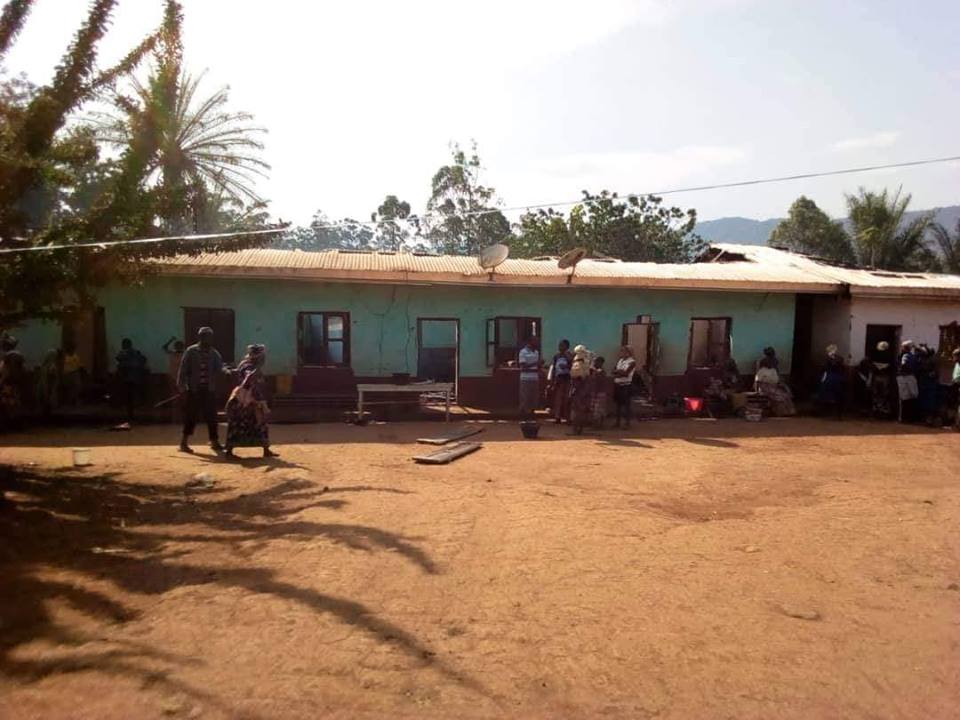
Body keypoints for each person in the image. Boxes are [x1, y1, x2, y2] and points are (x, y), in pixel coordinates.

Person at [177, 327, 227, 453]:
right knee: (191, 416)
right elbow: (183, 370)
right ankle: (183, 443)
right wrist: (182, 387)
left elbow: (220, 367)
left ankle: (214, 441)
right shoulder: (191, 351)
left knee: (212, 417)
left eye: (210, 337)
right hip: (194, 390)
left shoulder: (214, 353)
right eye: (205, 336)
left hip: (209, 390)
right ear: (200, 337)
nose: (208, 339)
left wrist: (227, 371)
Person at [225, 344, 277, 458]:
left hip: (253, 399)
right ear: (257, 357)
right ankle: (229, 451)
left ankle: (266, 449)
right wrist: (257, 368)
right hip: (246, 400)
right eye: (262, 357)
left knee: (260, 424)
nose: (264, 359)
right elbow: (248, 379)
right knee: (240, 423)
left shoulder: (250, 365)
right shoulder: (248, 366)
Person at [116, 338, 148, 422]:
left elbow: (119, 361)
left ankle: (131, 414)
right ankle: (132, 414)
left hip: (129, 379)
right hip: (133, 378)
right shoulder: (135, 353)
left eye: (123, 344)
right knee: (131, 398)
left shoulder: (125, 353)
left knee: (130, 398)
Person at [0, 334, 26, 430]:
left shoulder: (8, 356)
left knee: (6, 403)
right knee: (14, 404)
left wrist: (1, 381)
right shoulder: (19, 355)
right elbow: (24, 370)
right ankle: (16, 424)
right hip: (17, 384)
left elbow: (5, 371)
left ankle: (8, 424)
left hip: (8, 383)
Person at [817, 344, 846, 419]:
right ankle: (832, 413)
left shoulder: (836, 359)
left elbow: (824, 369)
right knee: (834, 395)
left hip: (833, 378)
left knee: (836, 395)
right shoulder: (833, 358)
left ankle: (837, 413)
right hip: (833, 378)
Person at [568, 345, 591, 435]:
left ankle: (576, 429)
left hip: (578, 389)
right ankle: (579, 429)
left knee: (576, 409)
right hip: (584, 389)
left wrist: (574, 389)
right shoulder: (586, 364)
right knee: (581, 409)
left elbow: (576, 378)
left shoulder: (577, 365)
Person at [547, 339, 572, 423]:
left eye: (562, 345)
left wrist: (566, 366)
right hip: (559, 378)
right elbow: (554, 368)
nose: (560, 347)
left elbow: (572, 366)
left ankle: (567, 417)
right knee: (558, 398)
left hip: (567, 378)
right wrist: (552, 380)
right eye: (559, 345)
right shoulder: (556, 356)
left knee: (567, 398)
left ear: (567, 347)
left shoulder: (569, 356)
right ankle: (557, 417)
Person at [613, 345, 636, 429]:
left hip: (626, 385)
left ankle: (627, 423)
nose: (621, 353)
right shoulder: (620, 360)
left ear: (628, 352)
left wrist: (618, 372)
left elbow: (626, 373)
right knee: (618, 405)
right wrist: (619, 372)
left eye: (623, 351)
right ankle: (617, 422)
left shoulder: (632, 362)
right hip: (618, 384)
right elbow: (613, 371)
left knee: (626, 405)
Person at [517, 337, 541, 419]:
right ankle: (523, 416)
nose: (537, 343)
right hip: (525, 379)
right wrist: (536, 363)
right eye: (535, 341)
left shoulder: (537, 352)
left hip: (535, 378)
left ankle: (531, 415)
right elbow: (523, 367)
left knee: (533, 398)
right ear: (530, 342)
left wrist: (539, 366)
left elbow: (537, 367)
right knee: (525, 398)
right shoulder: (523, 352)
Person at [896, 340, 920, 423]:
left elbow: (903, 364)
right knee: (912, 396)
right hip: (911, 377)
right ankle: (910, 417)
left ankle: (903, 417)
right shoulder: (913, 356)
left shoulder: (905, 356)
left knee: (904, 397)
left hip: (904, 377)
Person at [35, 349, 61, 419]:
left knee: (46, 401)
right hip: (46, 386)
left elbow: (53, 378)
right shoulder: (49, 365)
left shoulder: (51, 366)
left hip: (47, 387)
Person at [588, 356, 608, 428]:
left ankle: (599, 425)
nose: (594, 363)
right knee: (595, 409)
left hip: (600, 392)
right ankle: (596, 424)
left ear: (601, 363)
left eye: (596, 362)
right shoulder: (595, 371)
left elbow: (599, 381)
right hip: (595, 392)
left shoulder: (601, 372)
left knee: (599, 409)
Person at [952, 348, 960, 431]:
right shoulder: (957, 364)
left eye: (955, 356)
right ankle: (957, 423)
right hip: (956, 386)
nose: (953, 358)